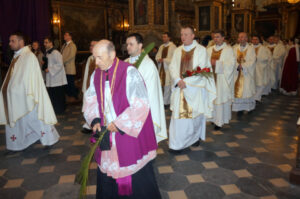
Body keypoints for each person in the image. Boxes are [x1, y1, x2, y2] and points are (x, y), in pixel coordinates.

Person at [82, 40, 161, 199]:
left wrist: (119, 124)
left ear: (112, 55)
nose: (96, 62)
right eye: (94, 57)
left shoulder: (129, 72)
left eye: (99, 57)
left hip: (125, 132)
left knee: (132, 173)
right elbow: (90, 98)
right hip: (106, 131)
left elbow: (141, 104)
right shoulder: (96, 74)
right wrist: (95, 119)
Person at [0, 32, 59, 151]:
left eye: (13, 41)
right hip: (18, 96)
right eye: (10, 41)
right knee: (23, 120)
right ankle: (21, 142)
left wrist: (17, 90)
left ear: (21, 42)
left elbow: (29, 78)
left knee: (36, 119)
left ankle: (49, 140)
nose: (10, 43)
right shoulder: (18, 56)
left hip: (29, 96)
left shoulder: (28, 56)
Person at [168, 26, 216, 152]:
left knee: (194, 117)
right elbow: (172, 67)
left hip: (195, 89)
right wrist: (178, 80)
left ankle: (194, 138)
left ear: (193, 36)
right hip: (180, 88)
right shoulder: (178, 50)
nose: (183, 37)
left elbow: (202, 69)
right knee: (178, 117)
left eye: (186, 34)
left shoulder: (201, 50)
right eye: (182, 34)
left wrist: (186, 82)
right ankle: (176, 144)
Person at [125, 33, 167, 143]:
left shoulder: (148, 65)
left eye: (131, 44)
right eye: (127, 44)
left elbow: (151, 92)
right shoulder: (125, 63)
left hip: (142, 108)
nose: (128, 47)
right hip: (127, 107)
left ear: (140, 46)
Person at [207, 30, 235, 130]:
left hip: (221, 79)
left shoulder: (228, 49)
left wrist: (217, 63)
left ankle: (219, 121)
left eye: (218, 37)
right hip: (210, 78)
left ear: (223, 38)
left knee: (219, 98)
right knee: (211, 98)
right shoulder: (209, 49)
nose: (216, 39)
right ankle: (212, 118)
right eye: (214, 37)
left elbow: (231, 65)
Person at [232, 32, 256, 114]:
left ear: (247, 39)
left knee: (247, 90)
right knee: (237, 90)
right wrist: (237, 66)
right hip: (237, 73)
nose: (241, 39)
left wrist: (243, 66)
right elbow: (232, 59)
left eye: (243, 37)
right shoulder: (234, 48)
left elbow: (252, 60)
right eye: (240, 37)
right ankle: (239, 108)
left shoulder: (251, 48)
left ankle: (248, 107)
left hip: (246, 73)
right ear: (238, 39)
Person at [43, 36, 67, 114]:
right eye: (44, 43)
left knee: (58, 95)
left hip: (57, 78)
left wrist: (49, 69)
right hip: (50, 77)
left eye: (46, 42)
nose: (45, 44)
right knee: (52, 94)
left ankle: (60, 110)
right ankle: (54, 110)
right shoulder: (47, 52)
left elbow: (60, 64)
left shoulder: (56, 53)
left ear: (51, 43)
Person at [155, 32, 177, 107]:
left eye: (165, 37)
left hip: (168, 69)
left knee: (167, 86)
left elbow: (174, 59)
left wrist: (164, 60)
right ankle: (162, 101)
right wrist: (158, 59)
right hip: (161, 68)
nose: (163, 38)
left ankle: (166, 102)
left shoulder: (173, 47)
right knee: (161, 85)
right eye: (163, 37)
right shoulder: (161, 46)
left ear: (169, 38)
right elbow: (157, 55)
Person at [81, 40, 97, 134]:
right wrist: (84, 87)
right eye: (90, 45)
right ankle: (88, 124)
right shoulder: (90, 58)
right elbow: (86, 74)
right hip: (88, 86)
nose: (91, 47)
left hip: (95, 88)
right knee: (88, 106)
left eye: (93, 45)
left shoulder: (100, 58)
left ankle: (91, 125)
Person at [252, 35, 272, 101]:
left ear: (259, 40)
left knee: (260, 83)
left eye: (256, 39)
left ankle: (257, 97)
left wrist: (257, 59)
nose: (255, 41)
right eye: (253, 39)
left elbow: (267, 58)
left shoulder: (264, 48)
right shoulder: (249, 47)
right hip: (251, 69)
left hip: (260, 68)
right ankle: (253, 96)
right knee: (252, 83)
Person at [61, 31, 78, 101]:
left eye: (66, 35)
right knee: (66, 84)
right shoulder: (64, 45)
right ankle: (70, 96)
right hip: (64, 68)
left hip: (69, 68)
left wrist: (62, 62)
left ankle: (74, 96)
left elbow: (71, 56)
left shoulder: (72, 45)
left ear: (70, 37)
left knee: (70, 83)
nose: (64, 36)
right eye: (64, 34)